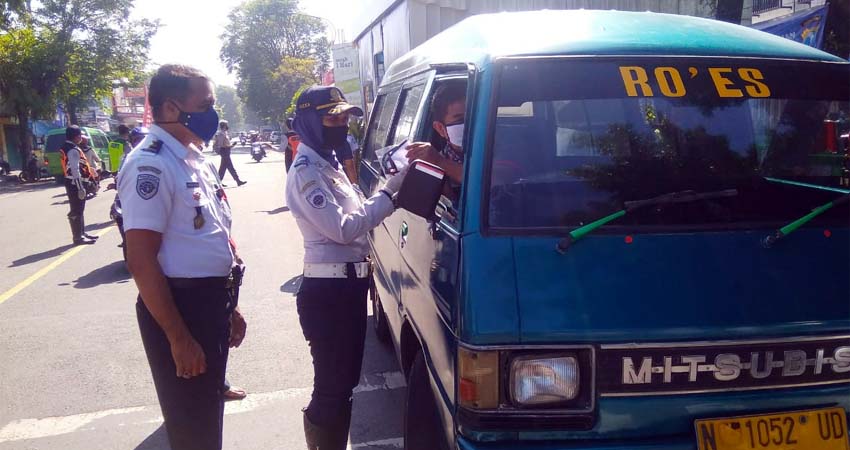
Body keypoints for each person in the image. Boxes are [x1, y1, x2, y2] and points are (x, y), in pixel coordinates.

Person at [118, 64, 247, 450]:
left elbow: (212, 238)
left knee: (206, 417)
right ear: (172, 108)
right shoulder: (151, 164)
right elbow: (140, 259)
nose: (213, 111)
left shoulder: (192, 157)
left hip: (209, 304)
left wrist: (229, 308)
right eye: (206, 103)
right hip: (181, 308)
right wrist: (177, 336)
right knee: (193, 429)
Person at [285, 86, 408, 449]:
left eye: (343, 118)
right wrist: (389, 194)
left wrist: (390, 187)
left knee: (345, 382)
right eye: (331, 118)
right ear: (308, 122)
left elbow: (357, 215)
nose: (340, 125)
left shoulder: (330, 164)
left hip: (348, 287)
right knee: (332, 387)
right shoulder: (307, 173)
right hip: (328, 293)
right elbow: (343, 228)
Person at [406, 80, 466, 185]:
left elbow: (489, 181)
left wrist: (440, 162)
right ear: (440, 129)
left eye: (475, 117)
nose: (470, 125)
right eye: (460, 120)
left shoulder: (498, 153)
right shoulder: (432, 167)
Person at [60, 126, 97, 245]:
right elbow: (74, 170)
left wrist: (90, 169)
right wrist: (80, 187)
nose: (81, 137)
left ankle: (82, 233)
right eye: (80, 135)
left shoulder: (67, 147)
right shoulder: (73, 150)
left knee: (79, 209)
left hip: (71, 182)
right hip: (75, 183)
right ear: (76, 136)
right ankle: (78, 237)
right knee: (76, 210)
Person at [214, 120, 246, 186]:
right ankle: (238, 181)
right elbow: (221, 144)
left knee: (223, 168)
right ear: (224, 126)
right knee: (230, 167)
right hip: (224, 151)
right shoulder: (221, 134)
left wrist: (231, 146)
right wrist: (231, 146)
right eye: (226, 125)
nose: (227, 126)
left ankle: (218, 183)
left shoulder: (225, 133)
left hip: (227, 151)